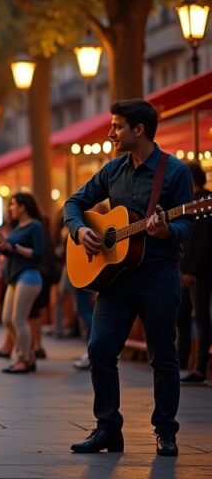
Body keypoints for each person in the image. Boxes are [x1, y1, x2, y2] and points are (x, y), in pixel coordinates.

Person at [65, 99, 193, 456]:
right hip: (116, 280)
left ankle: (166, 431)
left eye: (117, 126)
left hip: (158, 275)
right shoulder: (113, 170)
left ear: (139, 130)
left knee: (163, 356)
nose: (111, 133)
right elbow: (73, 204)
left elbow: (186, 224)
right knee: (100, 350)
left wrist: (167, 230)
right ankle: (108, 428)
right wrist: (79, 232)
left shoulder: (176, 172)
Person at [0, 192, 46, 374]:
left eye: (14, 204)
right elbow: (11, 252)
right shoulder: (17, 228)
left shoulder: (35, 226)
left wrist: (13, 247)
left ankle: (23, 359)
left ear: (23, 207)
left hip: (29, 276)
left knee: (19, 319)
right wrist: (4, 246)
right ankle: (27, 353)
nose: (11, 208)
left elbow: (38, 254)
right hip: (14, 276)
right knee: (7, 319)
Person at [177, 162, 210, 384]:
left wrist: (190, 270)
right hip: (188, 269)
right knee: (183, 315)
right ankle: (180, 361)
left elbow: (201, 241)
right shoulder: (190, 201)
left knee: (200, 317)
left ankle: (199, 368)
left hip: (200, 271)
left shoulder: (204, 201)